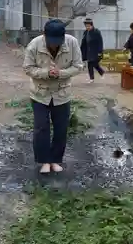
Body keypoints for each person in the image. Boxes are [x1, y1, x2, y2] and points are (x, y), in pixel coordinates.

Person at [22, 19, 83, 174]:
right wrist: (46, 73)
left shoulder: (72, 43)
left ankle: (55, 160)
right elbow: (27, 68)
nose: (55, 45)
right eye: (51, 41)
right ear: (44, 35)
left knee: (61, 128)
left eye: (58, 41)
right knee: (41, 128)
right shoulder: (34, 45)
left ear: (63, 37)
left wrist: (61, 74)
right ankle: (44, 161)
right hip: (39, 93)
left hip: (62, 93)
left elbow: (78, 66)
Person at [80, 18, 104, 82]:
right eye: (86, 26)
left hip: (95, 51)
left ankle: (101, 72)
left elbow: (100, 42)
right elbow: (83, 42)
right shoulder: (85, 32)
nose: (87, 27)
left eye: (88, 26)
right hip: (88, 51)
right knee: (90, 64)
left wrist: (100, 52)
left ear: (92, 25)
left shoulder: (96, 32)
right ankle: (91, 78)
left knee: (95, 64)